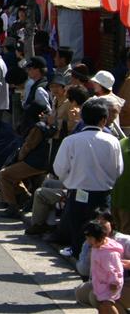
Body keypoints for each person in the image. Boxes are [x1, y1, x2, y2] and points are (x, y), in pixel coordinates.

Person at [54, 98, 124, 257]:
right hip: (103, 192)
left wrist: (69, 180)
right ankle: (101, 260)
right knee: (102, 228)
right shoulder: (113, 141)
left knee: (79, 227)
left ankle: (79, 258)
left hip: (78, 191)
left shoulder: (70, 140)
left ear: (82, 118)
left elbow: (59, 168)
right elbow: (118, 169)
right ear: (104, 120)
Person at [83, 220, 124, 314]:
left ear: (100, 237)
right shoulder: (97, 246)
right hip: (100, 281)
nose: (88, 241)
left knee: (108, 303)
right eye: (87, 238)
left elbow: (116, 269)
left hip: (110, 283)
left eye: (90, 238)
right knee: (101, 305)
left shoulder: (110, 253)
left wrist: (115, 282)